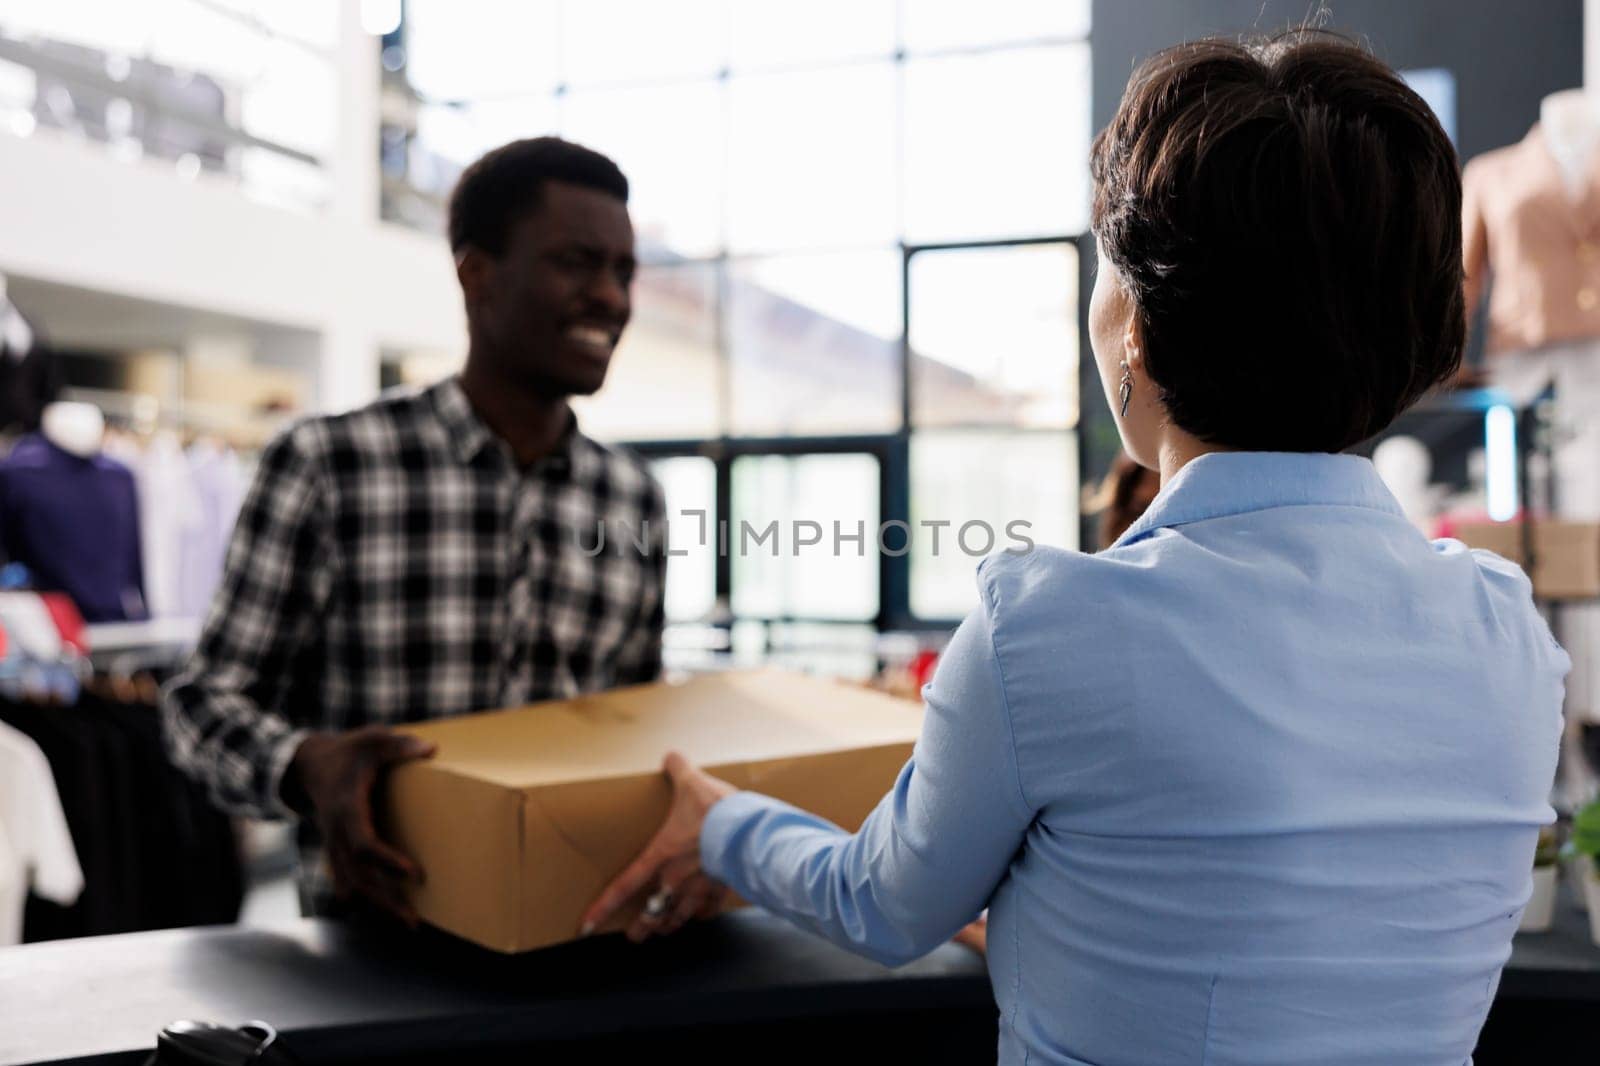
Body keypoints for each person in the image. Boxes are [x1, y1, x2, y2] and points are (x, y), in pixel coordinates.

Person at [582, 32, 1568, 1064]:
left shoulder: (1048, 626)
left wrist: (721, 820)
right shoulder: (1508, 634)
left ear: (1134, 322)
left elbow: (880, 903)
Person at [162, 138, 666, 924]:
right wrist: (304, 766)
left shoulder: (632, 499)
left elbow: (636, 723)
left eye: (624, 272)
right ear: (477, 273)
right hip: (373, 949)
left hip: (583, 943)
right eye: (576, 262)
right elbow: (202, 704)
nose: (610, 296)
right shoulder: (329, 466)